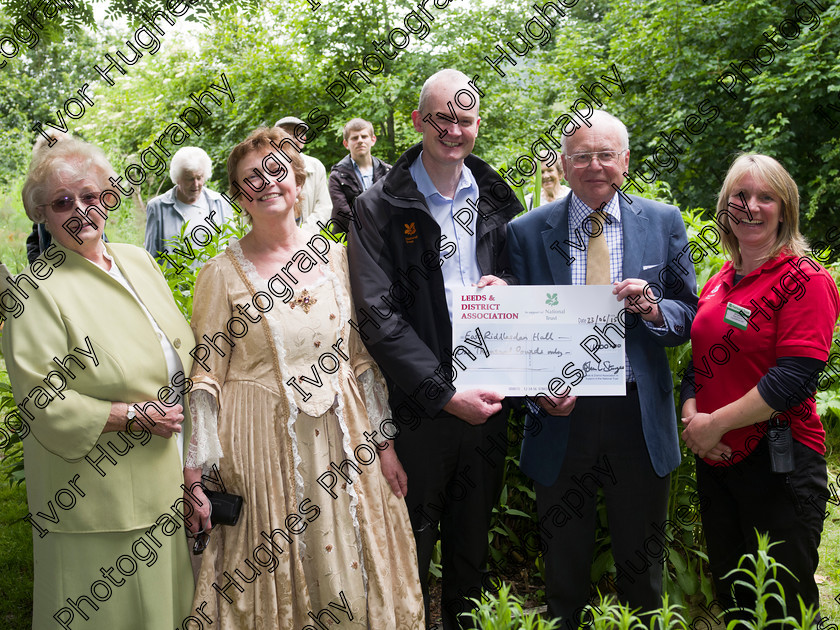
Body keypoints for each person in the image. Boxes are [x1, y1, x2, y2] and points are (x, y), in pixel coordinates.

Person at [184, 126, 424, 629]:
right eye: (252, 178)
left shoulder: (336, 259)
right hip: (261, 447)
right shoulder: (220, 275)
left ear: (296, 179)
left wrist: (385, 446)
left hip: (346, 440)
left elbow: (360, 359)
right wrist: (195, 476)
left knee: (357, 569)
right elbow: (204, 380)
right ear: (237, 196)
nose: (267, 183)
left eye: (277, 170)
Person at [506, 109, 698, 624]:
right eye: (583, 156)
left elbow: (689, 314)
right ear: (563, 165)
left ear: (625, 161)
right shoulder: (525, 232)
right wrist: (535, 390)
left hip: (637, 415)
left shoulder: (662, 222)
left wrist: (654, 306)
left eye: (606, 154)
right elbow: (515, 329)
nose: (596, 166)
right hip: (561, 412)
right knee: (562, 566)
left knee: (643, 566)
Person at [347, 69, 523, 629]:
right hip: (420, 410)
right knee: (410, 553)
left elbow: (522, 283)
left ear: (477, 125)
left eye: (465, 119)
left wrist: (511, 289)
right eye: (442, 117)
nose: (454, 129)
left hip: (490, 403)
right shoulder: (378, 207)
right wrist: (443, 394)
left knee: (472, 549)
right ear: (421, 121)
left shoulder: (497, 199)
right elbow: (377, 316)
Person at [2, 136, 195, 628]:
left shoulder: (137, 261)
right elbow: (42, 401)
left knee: (166, 612)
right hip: (93, 506)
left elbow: (177, 348)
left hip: (164, 484)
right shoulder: (37, 292)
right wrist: (131, 415)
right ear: (41, 214)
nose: (80, 210)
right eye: (62, 202)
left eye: (90, 195)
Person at [680, 154, 840, 625]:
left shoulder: (804, 280)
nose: (751, 206)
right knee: (735, 594)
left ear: (785, 208)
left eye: (765, 197)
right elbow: (698, 366)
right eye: (740, 196)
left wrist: (713, 425)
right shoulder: (718, 283)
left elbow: (794, 377)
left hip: (780, 460)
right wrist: (694, 420)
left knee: (782, 599)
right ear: (726, 208)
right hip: (717, 459)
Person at [143, 146, 235, 261]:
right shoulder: (157, 207)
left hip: (214, 277)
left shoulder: (220, 202)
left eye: (199, 177)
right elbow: (151, 254)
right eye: (189, 179)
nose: (196, 184)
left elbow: (233, 246)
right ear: (177, 179)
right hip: (173, 277)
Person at [328, 118, 391, 233]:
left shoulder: (388, 172)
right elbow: (342, 213)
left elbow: (394, 205)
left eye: (364, 136)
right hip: (349, 240)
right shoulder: (337, 176)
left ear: (373, 140)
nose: (360, 141)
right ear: (346, 143)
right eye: (354, 138)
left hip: (385, 238)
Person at [275, 115, 333, 232]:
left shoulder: (316, 166)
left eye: (297, 134)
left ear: (304, 140)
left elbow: (324, 208)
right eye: (286, 133)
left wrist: (303, 233)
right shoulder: (263, 169)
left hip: (308, 239)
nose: (291, 138)